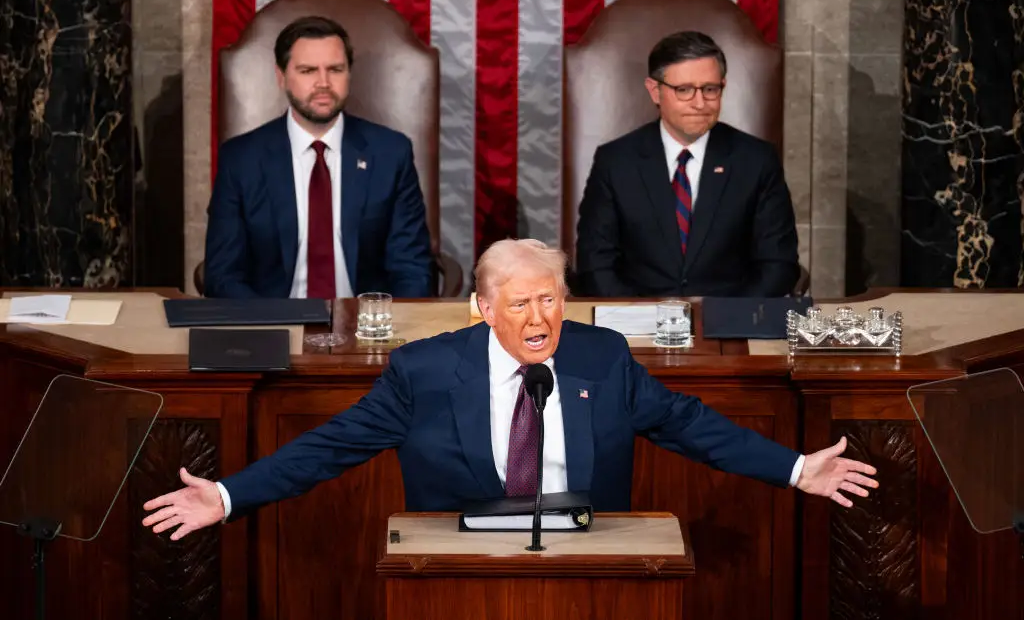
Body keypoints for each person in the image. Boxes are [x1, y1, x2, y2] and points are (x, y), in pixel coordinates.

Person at [143, 239, 876, 541]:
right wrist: (230, 494)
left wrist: (797, 467)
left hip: (588, 554)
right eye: (521, 303)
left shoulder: (601, 357)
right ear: (483, 308)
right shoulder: (424, 370)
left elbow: (691, 424)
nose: (540, 319)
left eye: (553, 299)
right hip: (458, 558)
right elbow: (329, 446)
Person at [203, 15, 434, 299]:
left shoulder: (390, 154)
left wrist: (386, 330)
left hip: (368, 330)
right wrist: (268, 327)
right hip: (274, 327)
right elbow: (223, 274)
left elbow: (412, 268)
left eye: (335, 69)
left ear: (349, 74)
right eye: (308, 70)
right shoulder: (241, 160)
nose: (323, 83)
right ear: (281, 76)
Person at [575, 31, 800, 298]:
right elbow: (595, 265)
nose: (699, 103)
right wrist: (635, 318)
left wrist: (731, 318)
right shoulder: (615, 161)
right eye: (684, 90)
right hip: (637, 322)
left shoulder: (756, 160)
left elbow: (778, 264)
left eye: (710, 89)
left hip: (729, 325)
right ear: (655, 91)